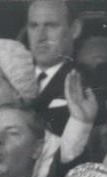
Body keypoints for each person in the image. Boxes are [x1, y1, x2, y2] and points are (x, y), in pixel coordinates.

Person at [24, 0, 81, 136]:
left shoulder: (86, 81)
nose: (40, 37)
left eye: (51, 26)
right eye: (34, 26)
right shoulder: (8, 79)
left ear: (74, 29)